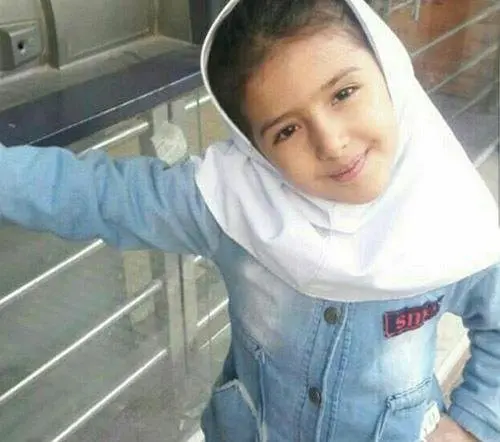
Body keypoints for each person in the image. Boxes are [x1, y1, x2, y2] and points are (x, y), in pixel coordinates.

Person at [0, 0, 498, 440]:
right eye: (286, 131)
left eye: (344, 93)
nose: (331, 143)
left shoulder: (452, 219)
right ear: (255, 150)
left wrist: (475, 422)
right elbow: (100, 195)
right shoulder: (235, 202)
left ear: (390, 73)